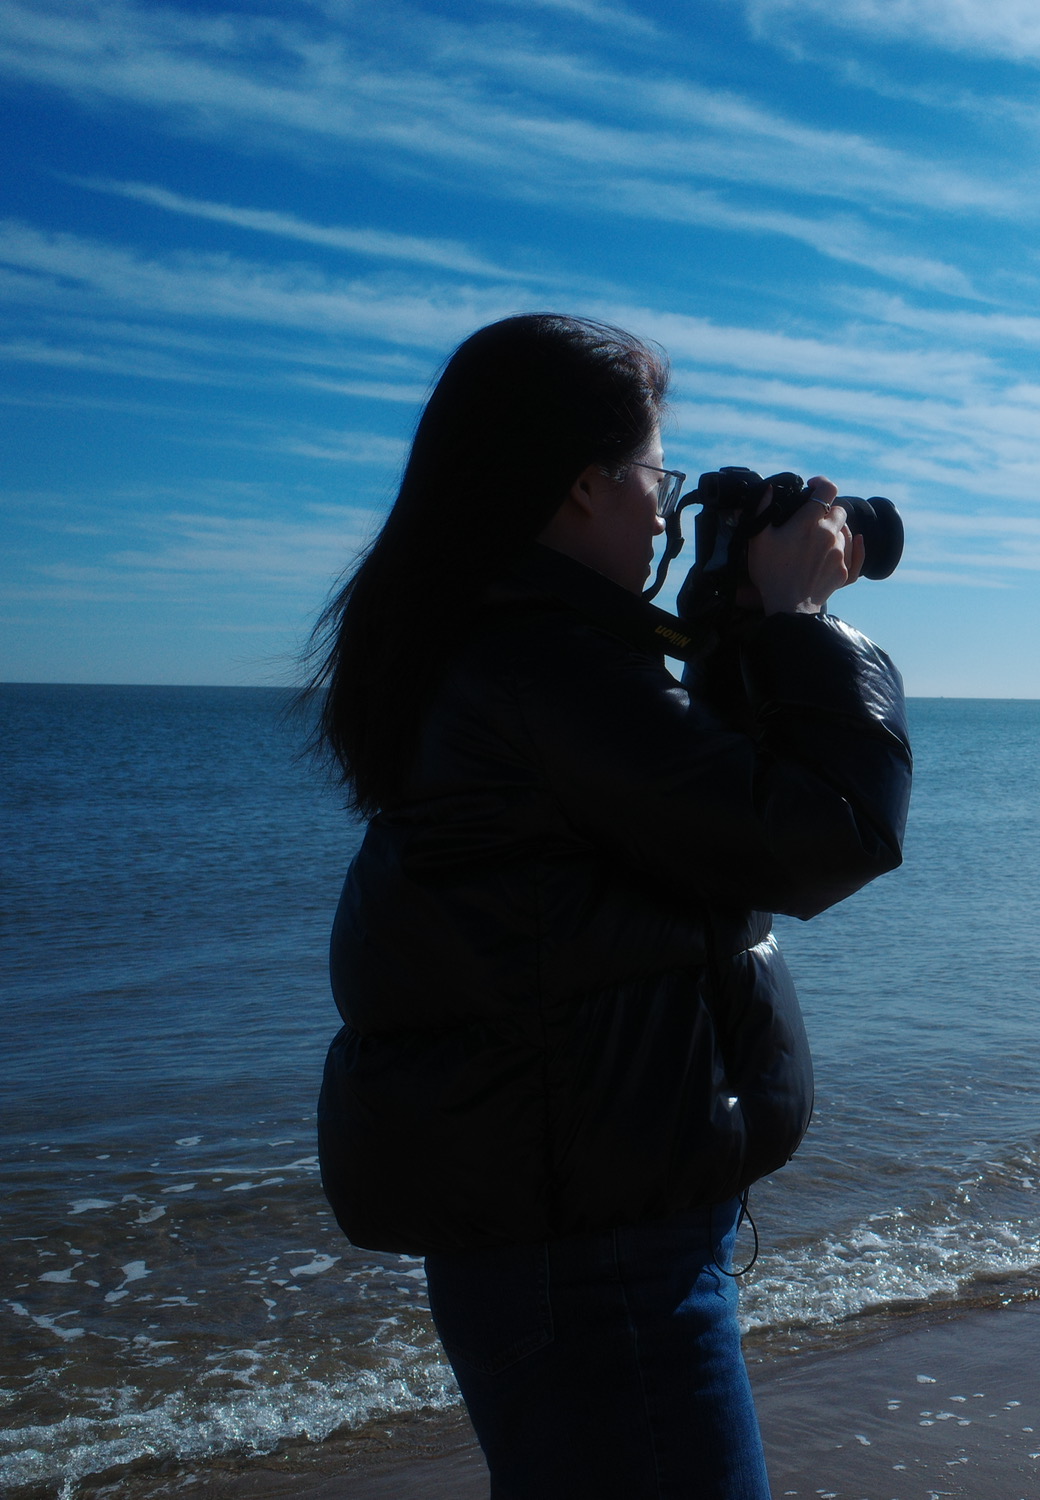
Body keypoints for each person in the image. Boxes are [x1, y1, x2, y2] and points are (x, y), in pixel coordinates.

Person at [306, 313, 911, 1499]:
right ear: (584, 485)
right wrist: (799, 625)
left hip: (571, 1229)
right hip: (594, 1256)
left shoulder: (510, 653)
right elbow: (828, 834)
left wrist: (731, 634)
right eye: (656, 481)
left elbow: (703, 828)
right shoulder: (546, 669)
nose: (663, 514)